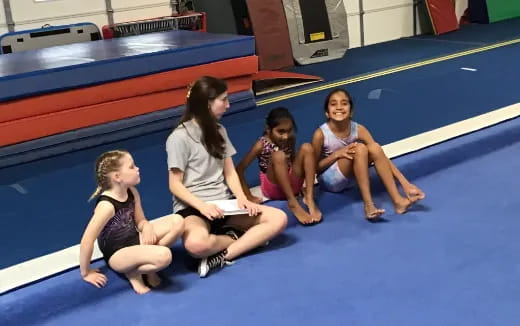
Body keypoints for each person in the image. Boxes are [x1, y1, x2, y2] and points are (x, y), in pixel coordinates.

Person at [166, 76, 287, 278]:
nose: (228, 105)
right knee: (196, 245)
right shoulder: (178, 138)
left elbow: (229, 172)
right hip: (194, 209)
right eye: (223, 100)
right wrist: (202, 207)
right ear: (207, 104)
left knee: (278, 218)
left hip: (224, 205)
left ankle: (222, 255)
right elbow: (175, 185)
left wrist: (241, 197)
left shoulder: (220, 131)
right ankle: (241, 238)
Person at [80, 150, 185, 294]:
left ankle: (147, 266)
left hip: (134, 238)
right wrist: (86, 272)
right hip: (118, 254)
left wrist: (146, 226)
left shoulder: (132, 192)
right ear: (117, 177)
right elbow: (87, 239)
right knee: (164, 256)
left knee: (178, 221)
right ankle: (133, 272)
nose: (137, 169)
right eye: (132, 167)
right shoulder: (107, 206)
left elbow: (140, 220)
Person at [311, 88, 425, 221]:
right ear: (327, 113)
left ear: (351, 111)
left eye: (344, 103)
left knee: (375, 148)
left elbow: (381, 156)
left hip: (351, 176)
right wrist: (336, 155)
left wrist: (405, 184)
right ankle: (368, 205)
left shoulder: (359, 129)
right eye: (333, 104)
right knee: (360, 148)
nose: (339, 107)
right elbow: (314, 169)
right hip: (330, 180)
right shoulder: (320, 134)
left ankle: (398, 201)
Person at [236, 107, 322, 225]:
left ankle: (310, 198)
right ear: (268, 129)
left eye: (289, 130)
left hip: (291, 184)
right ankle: (292, 202)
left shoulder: (290, 139)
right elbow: (239, 169)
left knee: (307, 147)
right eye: (280, 132)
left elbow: (293, 160)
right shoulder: (261, 145)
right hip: (272, 187)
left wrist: (299, 180)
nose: (285, 136)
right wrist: (247, 195)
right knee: (279, 155)